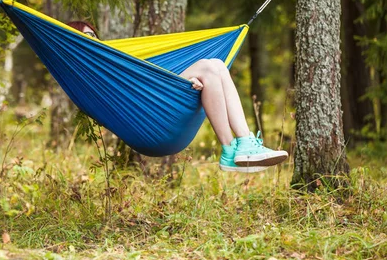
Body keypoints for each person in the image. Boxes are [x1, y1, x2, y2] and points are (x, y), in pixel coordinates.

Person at [66, 20, 288, 173]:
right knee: (208, 68)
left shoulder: (113, 58)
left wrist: (183, 84)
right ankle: (233, 147)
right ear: (72, 41)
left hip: (159, 100)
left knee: (217, 66)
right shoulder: (86, 72)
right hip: (146, 119)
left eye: (93, 34)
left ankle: (238, 146)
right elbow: (128, 94)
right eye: (84, 35)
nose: (92, 38)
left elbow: (146, 79)